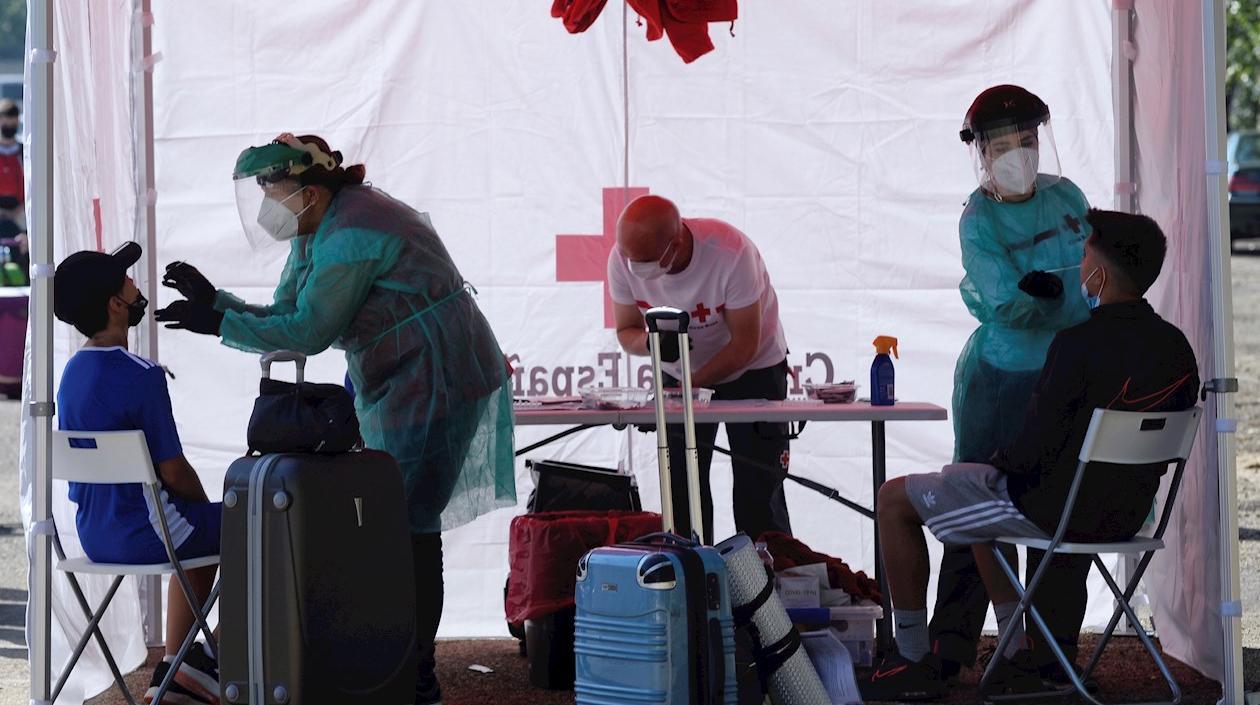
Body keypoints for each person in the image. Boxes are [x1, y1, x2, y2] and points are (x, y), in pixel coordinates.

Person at [155, 134, 515, 705]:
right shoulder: (317, 227)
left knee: (412, 528)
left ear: (312, 190)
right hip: (399, 374)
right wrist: (218, 303)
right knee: (396, 524)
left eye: (274, 191)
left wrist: (215, 325)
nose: (268, 205)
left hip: (437, 374)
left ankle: (416, 675)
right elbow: (288, 311)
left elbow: (308, 333)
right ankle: (393, 663)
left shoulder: (353, 231)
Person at [860, 209, 1199, 701]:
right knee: (978, 502)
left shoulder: (1076, 344)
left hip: (1055, 513)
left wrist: (990, 463)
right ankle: (1015, 653)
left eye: (1084, 256)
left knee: (894, 499)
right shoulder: (1177, 348)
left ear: (1101, 274)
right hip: (1128, 517)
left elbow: (1033, 450)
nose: (1079, 266)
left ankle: (910, 657)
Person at [933, 84, 1097, 685]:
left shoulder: (1067, 197)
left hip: (1067, 371)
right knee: (976, 501)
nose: (1018, 155)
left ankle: (1051, 653)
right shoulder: (978, 217)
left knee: (1055, 512)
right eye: (1002, 145)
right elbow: (1005, 297)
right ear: (981, 152)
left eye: (1026, 141)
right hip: (1001, 377)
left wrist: (1056, 290)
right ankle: (949, 648)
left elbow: (1095, 271)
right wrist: (1050, 293)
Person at [53, 243, 221, 705]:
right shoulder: (141, 374)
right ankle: (207, 659)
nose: (135, 283)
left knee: (206, 537)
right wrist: (206, 507)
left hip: (94, 537)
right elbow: (174, 471)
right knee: (261, 525)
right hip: (147, 533)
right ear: (115, 304)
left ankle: (177, 666)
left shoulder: (71, 373)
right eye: (126, 279)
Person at [608, 194, 791, 542]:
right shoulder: (623, 258)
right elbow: (625, 331)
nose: (635, 268)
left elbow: (744, 346)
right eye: (630, 258)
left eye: (645, 260)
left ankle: (767, 582)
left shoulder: (730, 253)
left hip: (753, 371)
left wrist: (687, 389)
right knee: (681, 488)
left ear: (676, 244)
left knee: (758, 491)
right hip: (680, 373)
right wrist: (651, 344)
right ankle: (691, 583)